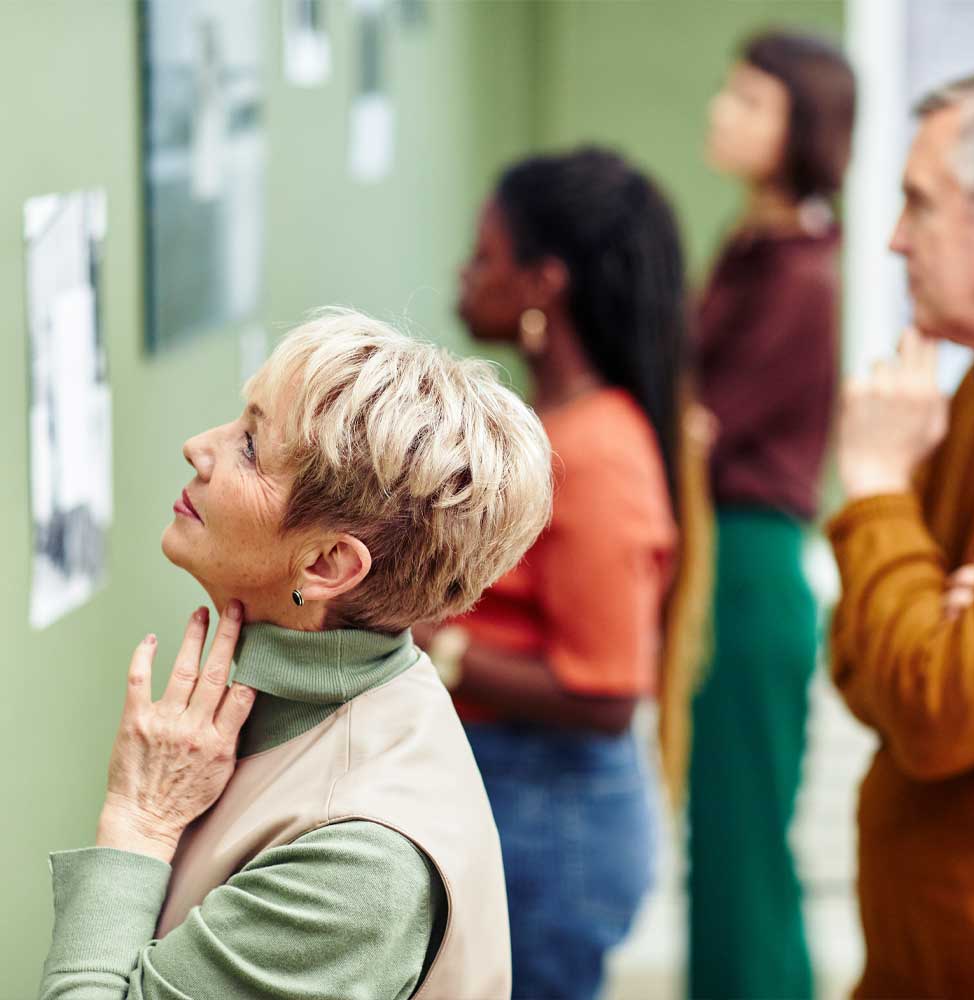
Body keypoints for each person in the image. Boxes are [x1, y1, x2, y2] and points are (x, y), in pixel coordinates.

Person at [37, 308, 553, 1000]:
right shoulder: (353, 689)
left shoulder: (360, 868)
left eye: (250, 447)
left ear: (329, 565)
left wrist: (140, 817)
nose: (199, 446)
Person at [414, 147, 689, 1000]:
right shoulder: (549, 428)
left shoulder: (599, 452)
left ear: (544, 283)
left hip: (551, 819)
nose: (464, 275)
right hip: (516, 794)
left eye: (485, 256)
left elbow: (608, 696)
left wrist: (437, 645)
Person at [687, 30, 856, 999]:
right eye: (729, 92)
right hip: (728, 566)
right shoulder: (755, 247)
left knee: (746, 861)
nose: (722, 111)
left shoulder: (800, 272)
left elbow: (704, 428)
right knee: (723, 854)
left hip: (754, 572)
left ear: (801, 131)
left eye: (750, 102)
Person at [830, 71, 974, 998]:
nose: (895, 239)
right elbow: (863, 670)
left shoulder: (912, 441)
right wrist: (930, 615)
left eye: (919, 206)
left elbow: (932, 714)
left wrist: (879, 485)